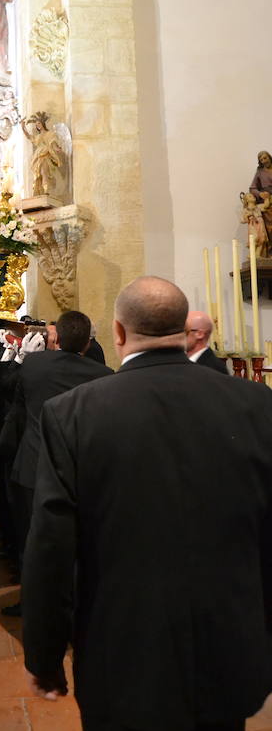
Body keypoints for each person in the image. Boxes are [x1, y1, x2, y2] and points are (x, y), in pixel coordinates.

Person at [23, 276, 272, 731]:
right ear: (184, 329)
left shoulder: (72, 412)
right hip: (229, 640)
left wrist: (44, 654)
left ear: (117, 333)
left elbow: (51, 546)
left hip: (122, 647)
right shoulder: (257, 403)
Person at [1, 312, 113, 616]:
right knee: (76, 542)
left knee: (31, 540)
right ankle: (75, 605)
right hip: (79, 467)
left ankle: (33, 604)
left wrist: (21, 352)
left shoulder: (35, 365)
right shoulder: (105, 375)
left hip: (34, 462)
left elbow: (9, 387)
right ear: (88, 342)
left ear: (56, 339)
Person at [185, 310, 228, 374]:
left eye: (184, 330)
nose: (179, 335)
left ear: (199, 334)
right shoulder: (185, 360)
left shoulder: (213, 368)